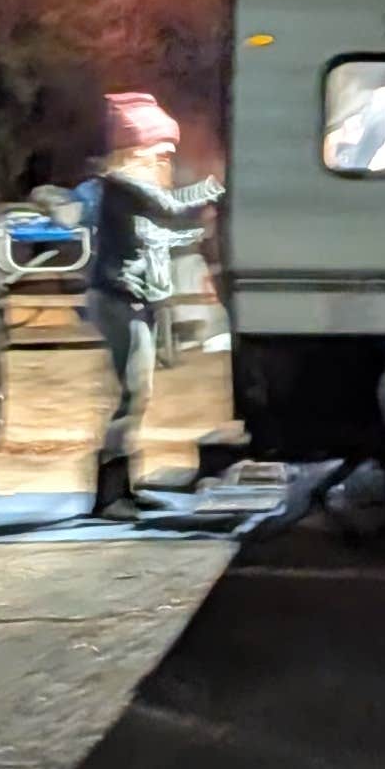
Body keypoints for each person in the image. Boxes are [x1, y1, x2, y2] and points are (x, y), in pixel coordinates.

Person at [84, 90, 221, 515]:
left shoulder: (129, 189)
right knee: (133, 392)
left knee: (136, 394)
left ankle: (124, 487)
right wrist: (218, 187)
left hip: (133, 297)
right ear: (137, 149)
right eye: (161, 152)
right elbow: (170, 207)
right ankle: (110, 495)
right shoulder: (124, 184)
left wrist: (196, 236)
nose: (166, 161)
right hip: (121, 297)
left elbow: (156, 235)